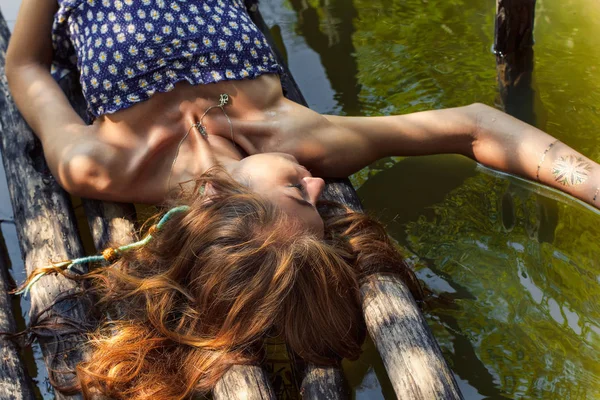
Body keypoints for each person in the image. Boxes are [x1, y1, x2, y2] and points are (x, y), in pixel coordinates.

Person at [5, 0, 600, 398]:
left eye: (298, 191)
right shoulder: (304, 138)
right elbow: (475, 126)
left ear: (213, 194)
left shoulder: (99, 165)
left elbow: (25, 64)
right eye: (314, 196)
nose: (317, 183)